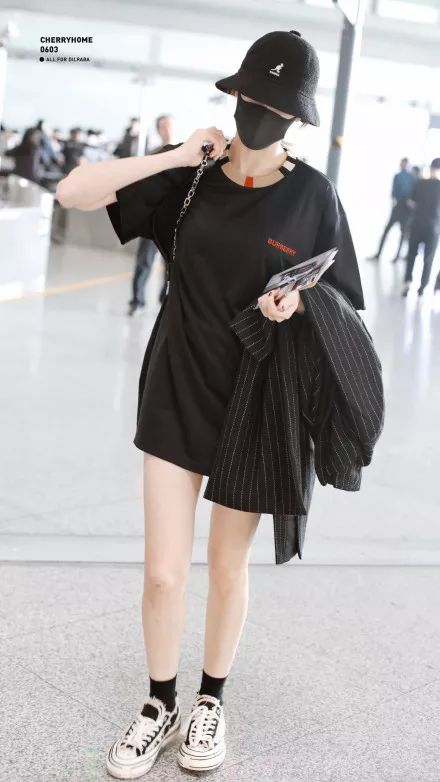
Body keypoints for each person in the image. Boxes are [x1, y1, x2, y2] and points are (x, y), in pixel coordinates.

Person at [56, 30, 367, 778]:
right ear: (234, 96)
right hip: (176, 387)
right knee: (164, 573)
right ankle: (158, 703)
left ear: (296, 118)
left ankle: (210, 700)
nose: (259, 115)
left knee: (228, 568)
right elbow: (73, 192)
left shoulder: (313, 195)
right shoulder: (190, 178)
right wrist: (171, 157)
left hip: (255, 402)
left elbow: (344, 300)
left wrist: (300, 303)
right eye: (251, 98)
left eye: (275, 107)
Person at [128, 114, 175, 316]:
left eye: (170, 126)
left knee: (171, 266)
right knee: (144, 261)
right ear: (158, 130)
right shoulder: (153, 155)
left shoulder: (186, 153)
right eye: (163, 126)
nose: (167, 129)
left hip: (174, 221)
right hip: (153, 220)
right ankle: (137, 302)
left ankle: (166, 302)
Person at [402, 157, 440, 297]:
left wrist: (418, 207)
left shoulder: (421, 183)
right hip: (433, 227)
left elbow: (410, 202)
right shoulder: (430, 184)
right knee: (427, 258)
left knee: (413, 255)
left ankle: (409, 283)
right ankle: (421, 288)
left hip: (419, 224)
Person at [368, 157, 415, 263]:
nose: (401, 165)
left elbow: (410, 192)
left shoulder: (411, 177)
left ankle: (395, 256)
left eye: (403, 163)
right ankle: (379, 254)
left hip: (404, 209)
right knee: (388, 231)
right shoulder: (398, 176)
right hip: (398, 208)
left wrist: (406, 201)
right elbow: (394, 192)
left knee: (402, 234)